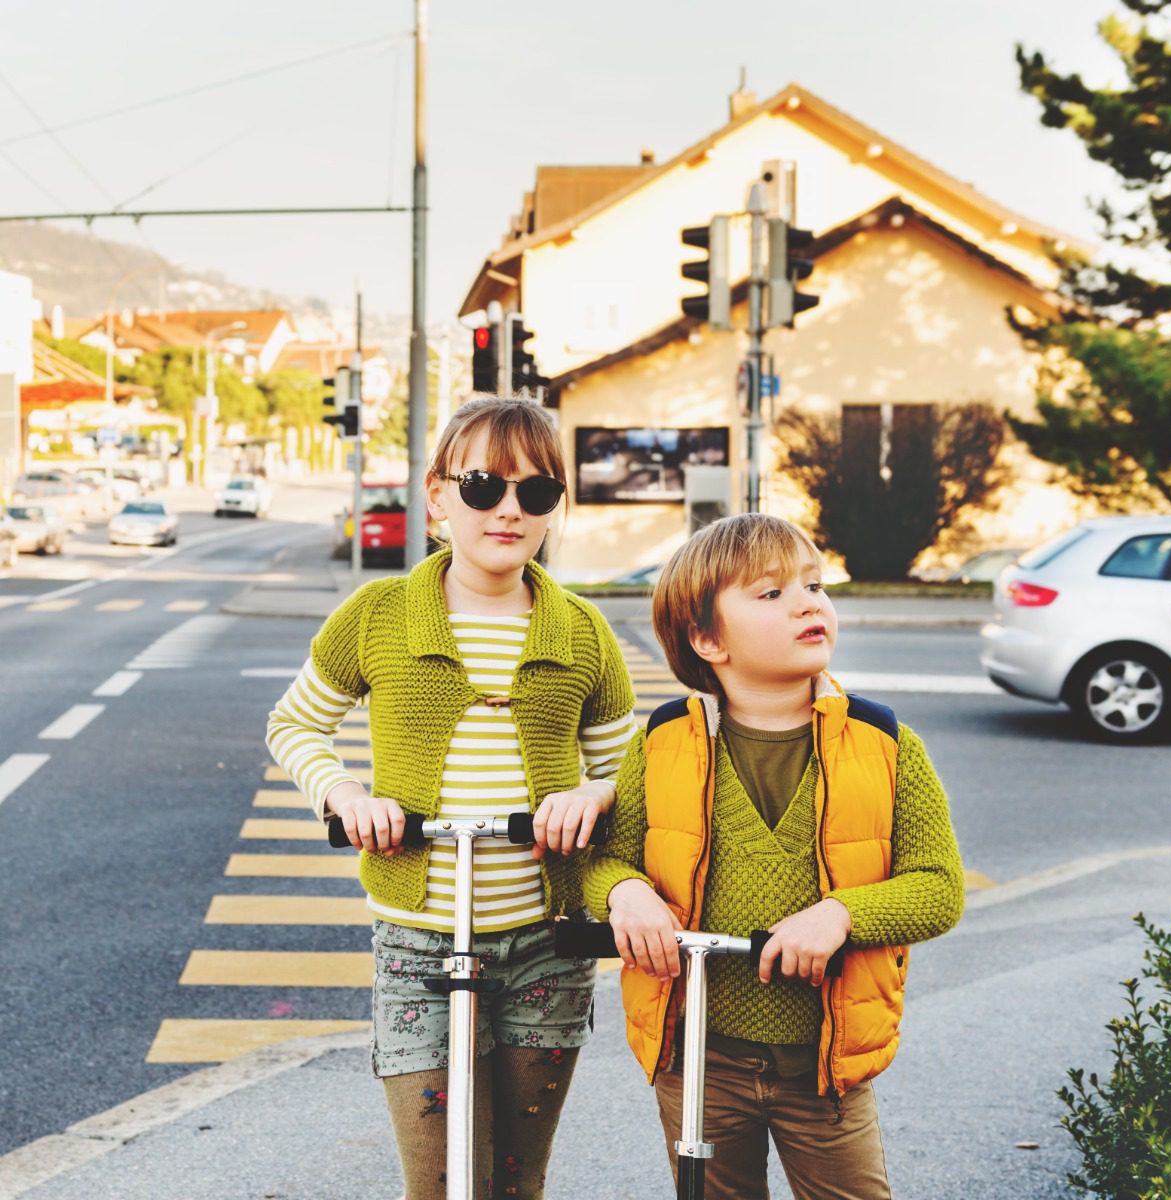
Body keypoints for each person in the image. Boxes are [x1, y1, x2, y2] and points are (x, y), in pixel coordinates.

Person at [266, 397, 636, 1200]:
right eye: (484, 486)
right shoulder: (377, 617)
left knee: (516, 1182)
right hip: (418, 941)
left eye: (536, 492)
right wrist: (343, 793)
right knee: (439, 1181)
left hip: (548, 941)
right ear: (437, 496)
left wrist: (593, 794)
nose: (509, 509)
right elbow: (294, 723)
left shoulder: (582, 632)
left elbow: (630, 773)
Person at [582, 512, 965, 1200]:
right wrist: (624, 893)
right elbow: (605, 860)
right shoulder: (663, 743)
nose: (808, 603)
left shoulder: (884, 745)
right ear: (707, 639)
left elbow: (938, 887)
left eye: (814, 586)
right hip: (698, 1055)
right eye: (771, 593)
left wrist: (840, 915)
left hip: (825, 1065)